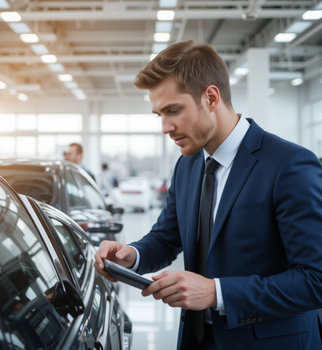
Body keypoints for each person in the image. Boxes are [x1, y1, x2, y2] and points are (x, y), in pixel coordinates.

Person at [94, 40, 322, 350]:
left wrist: (217, 293)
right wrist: (130, 256)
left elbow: (315, 279)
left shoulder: (289, 164)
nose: (165, 127)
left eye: (173, 110)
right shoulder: (187, 165)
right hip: (197, 340)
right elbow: (166, 237)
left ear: (211, 97)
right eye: (158, 114)